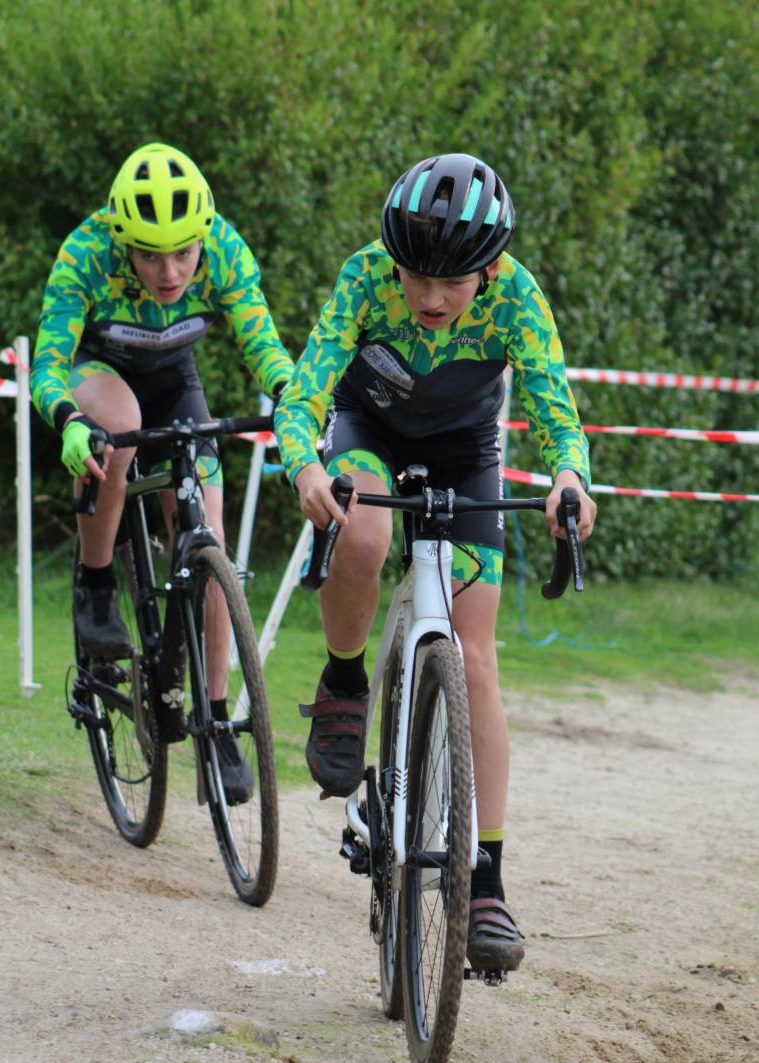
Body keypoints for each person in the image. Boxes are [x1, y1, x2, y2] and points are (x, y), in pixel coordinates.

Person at [274, 152, 597, 972]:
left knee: (476, 658)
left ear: (488, 270)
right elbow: (305, 391)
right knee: (365, 536)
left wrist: (568, 476)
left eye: (452, 283)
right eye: (417, 277)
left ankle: (485, 880)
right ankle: (345, 682)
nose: (430, 298)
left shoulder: (518, 295)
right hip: (368, 434)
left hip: (465, 451)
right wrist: (305, 466)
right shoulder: (364, 277)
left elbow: (555, 408)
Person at [31, 141, 294, 798]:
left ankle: (216, 716)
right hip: (97, 370)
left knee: (211, 536)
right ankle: (97, 586)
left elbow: (263, 344)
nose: (170, 271)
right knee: (116, 429)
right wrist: (69, 419)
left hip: (176, 378)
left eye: (183, 253)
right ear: (124, 242)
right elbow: (48, 360)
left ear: (203, 236)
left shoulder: (225, 249)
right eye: (150, 255)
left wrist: (294, 397)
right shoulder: (86, 252)